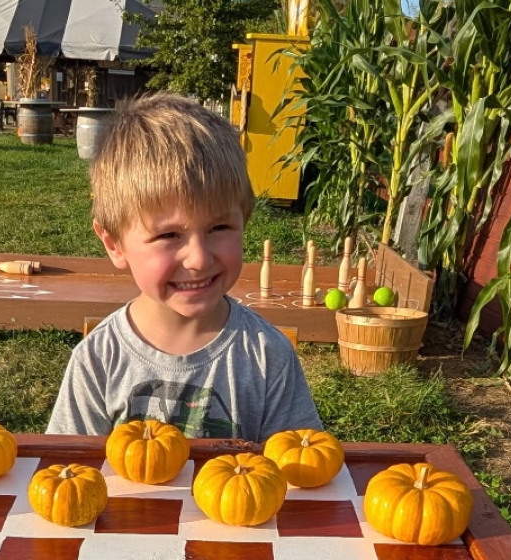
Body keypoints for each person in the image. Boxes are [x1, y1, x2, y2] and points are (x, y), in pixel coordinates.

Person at [46, 93, 322, 441]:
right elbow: (69, 471)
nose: (199, 258)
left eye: (219, 228)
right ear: (114, 244)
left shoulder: (268, 356)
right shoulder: (98, 360)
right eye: (169, 235)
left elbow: (301, 463)